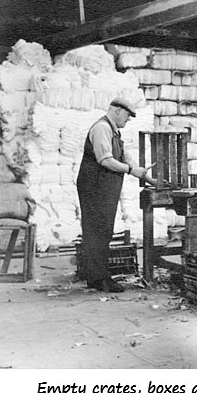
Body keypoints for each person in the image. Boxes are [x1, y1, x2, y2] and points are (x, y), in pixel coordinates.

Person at [76, 97, 155, 292]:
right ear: (117, 110)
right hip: (94, 186)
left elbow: (124, 156)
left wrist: (145, 174)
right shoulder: (102, 128)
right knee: (97, 231)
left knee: (103, 231)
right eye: (127, 115)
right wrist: (130, 170)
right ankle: (99, 279)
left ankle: (98, 277)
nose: (128, 120)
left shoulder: (114, 131)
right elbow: (105, 160)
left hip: (104, 187)